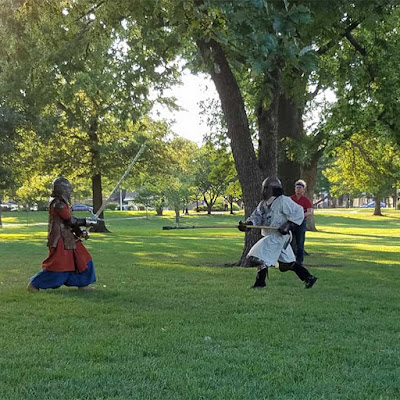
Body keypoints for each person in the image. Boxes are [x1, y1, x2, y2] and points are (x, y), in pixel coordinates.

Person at [238, 177, 317, 289]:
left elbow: (298, 211)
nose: (264, 191)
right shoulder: (263, 204)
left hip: (278, 236)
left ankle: (260, 283)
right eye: (263, 188)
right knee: (286, 265)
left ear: (274, 189)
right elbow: (256, 217)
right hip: (271, 235)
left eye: (266, 189)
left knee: (256, 256)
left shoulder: (283, 201)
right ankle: (309, 277)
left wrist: (289, 224)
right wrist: (247, 225)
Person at [27, 177, 97, 292]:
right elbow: (70, 220)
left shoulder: (63, 203)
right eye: (68, 189)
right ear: (62, 189)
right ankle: (35, 284)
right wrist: (86, 221)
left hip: (68, 237)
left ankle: (83, 283)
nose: (70, 191)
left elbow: (70, 224)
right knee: (60, 265)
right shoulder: (58, 204)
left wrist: (80, 232)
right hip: (59, 239)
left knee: (83, 258)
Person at [290, 179, 314, 266]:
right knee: (289, 240)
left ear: (303, 190)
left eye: (300, 188)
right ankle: (289, 259)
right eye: (297, 188)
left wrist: (300, 216)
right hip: (290, 223)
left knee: (300, 242)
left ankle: (299, 261)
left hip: (300, 223)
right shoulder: (290, 199)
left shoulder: (305, 200)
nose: (298, 190)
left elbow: (310, 211)